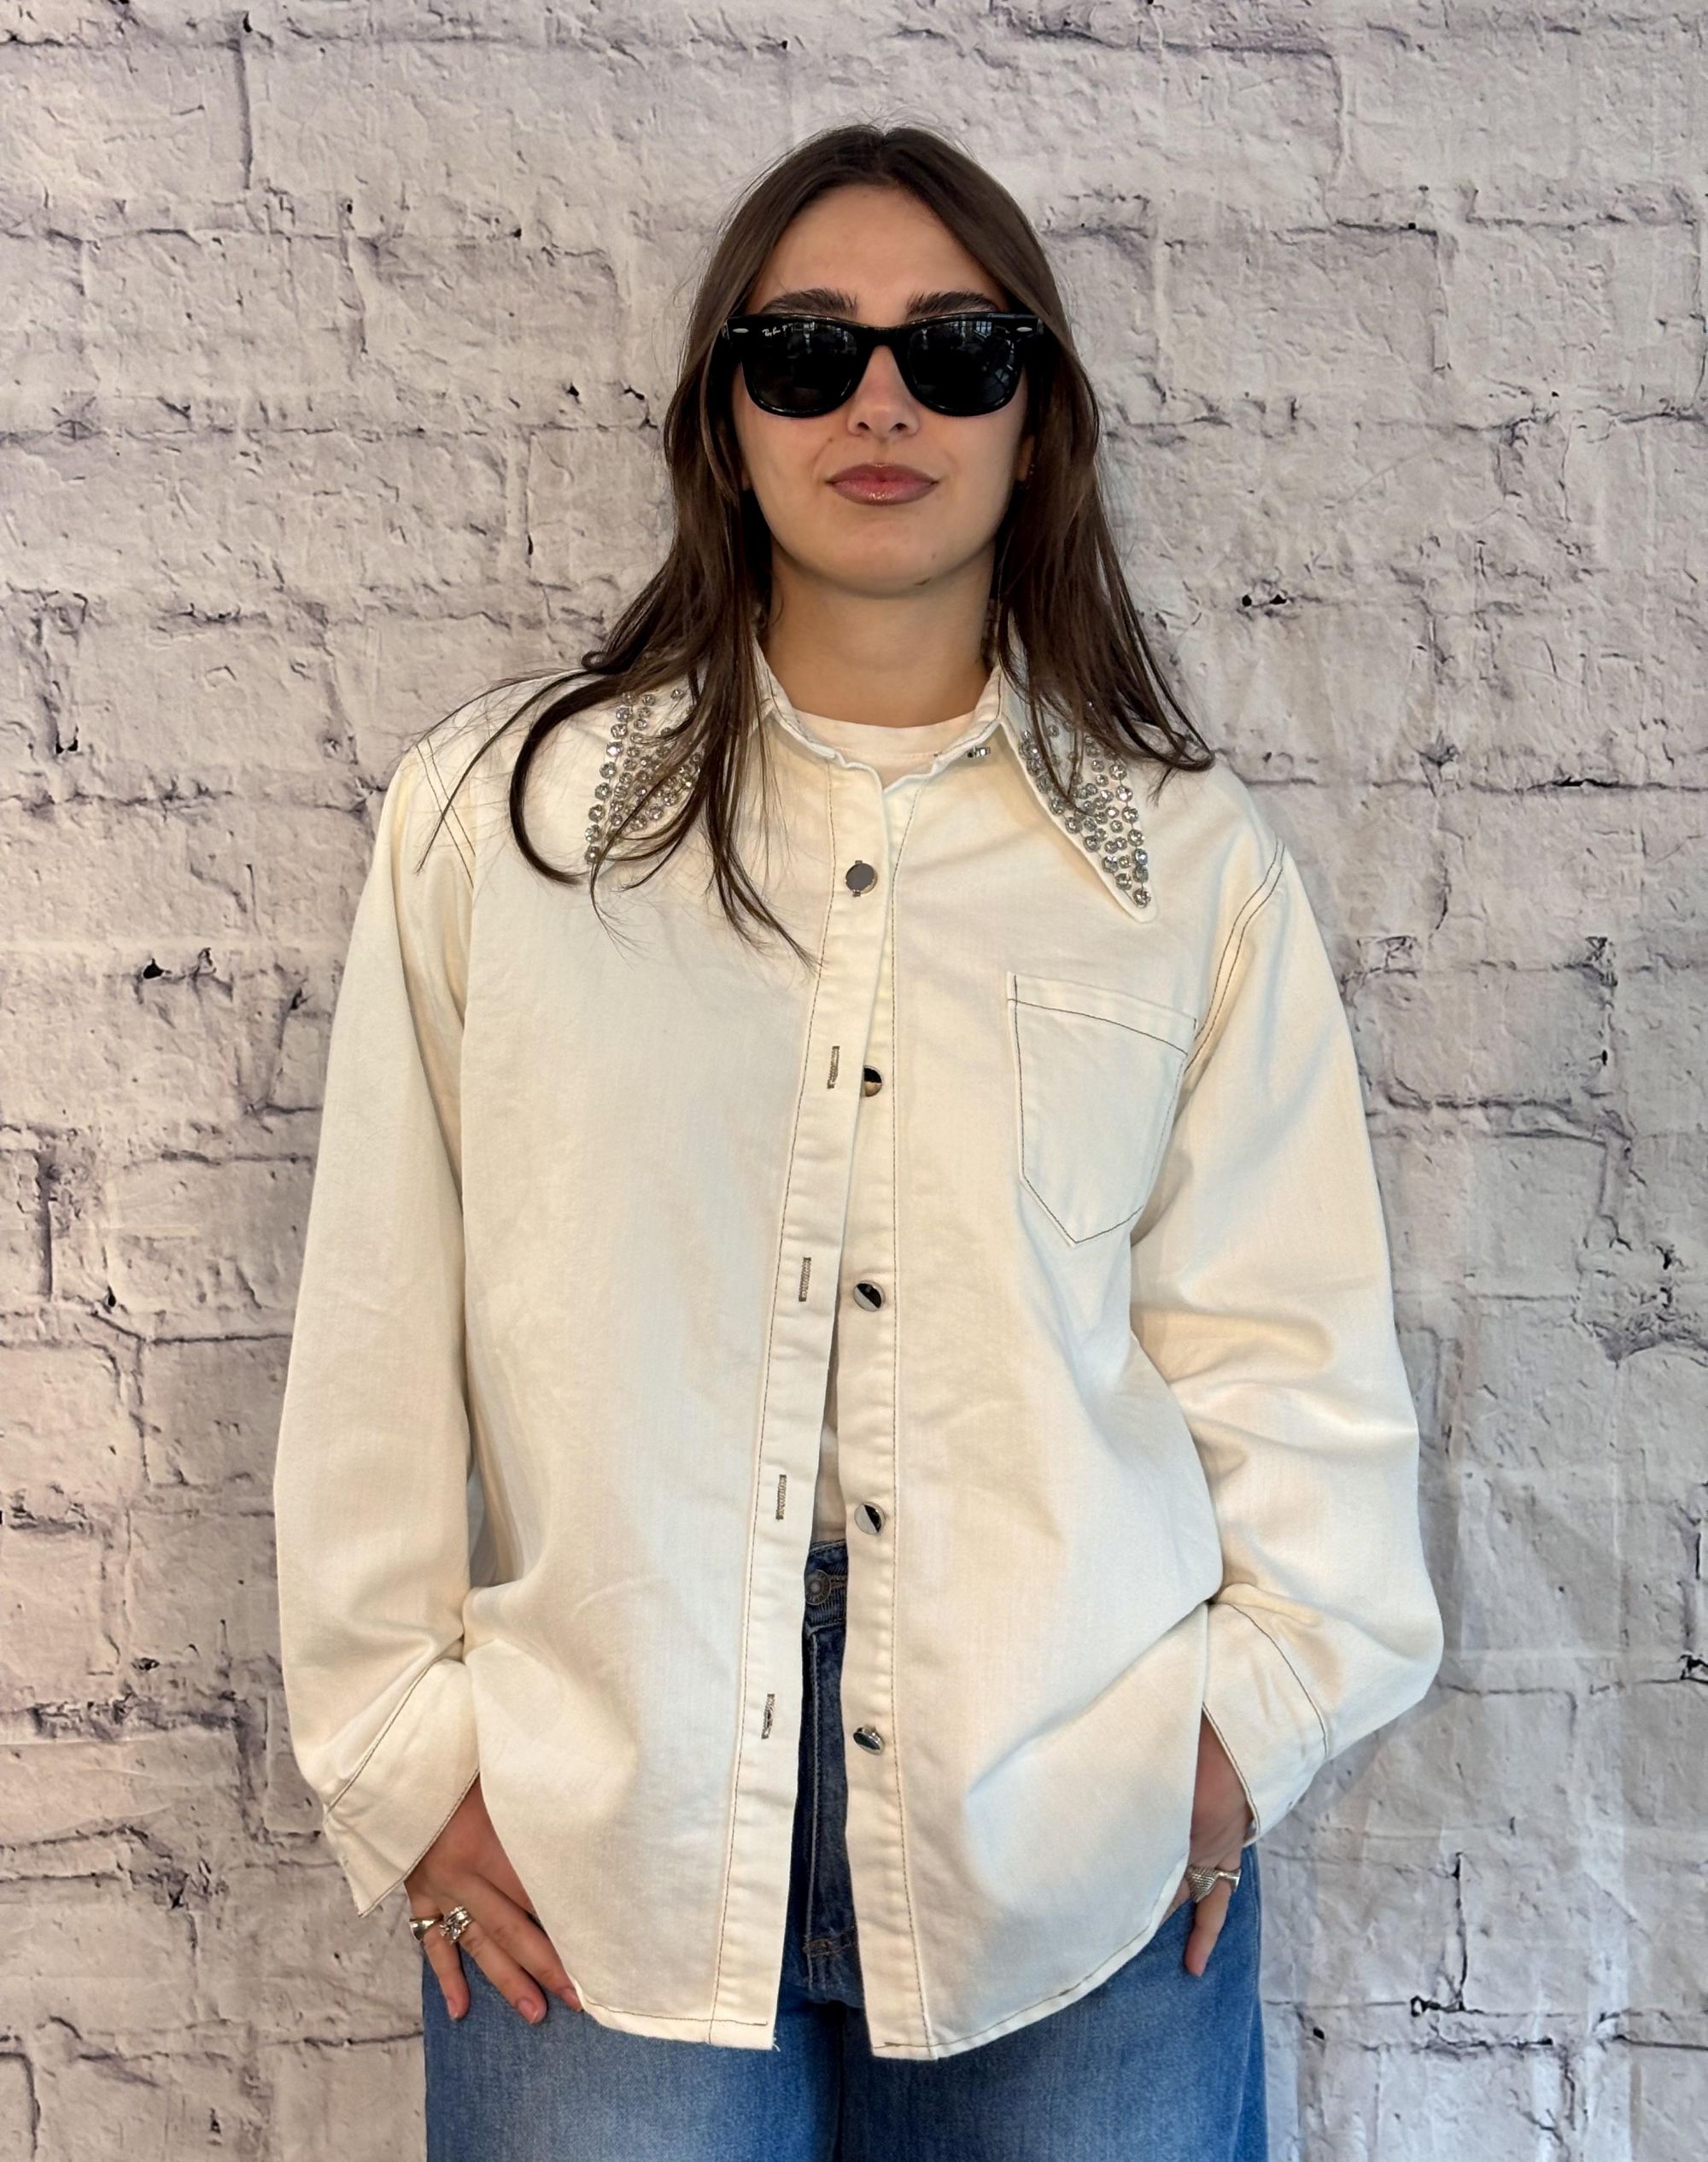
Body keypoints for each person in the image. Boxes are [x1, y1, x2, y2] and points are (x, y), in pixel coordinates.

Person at [271, 122, 1444, 2160]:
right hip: (600, 1805)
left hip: (1070, 1801)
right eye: (805, 351)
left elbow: (1288, 1349)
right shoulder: (502, 828)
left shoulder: (1178, 867)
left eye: (953, 351)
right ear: (726, 421)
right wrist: (404, 1760)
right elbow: (381, 1322)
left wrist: (1235, 1733)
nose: (878, 402)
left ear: (1032, 418)